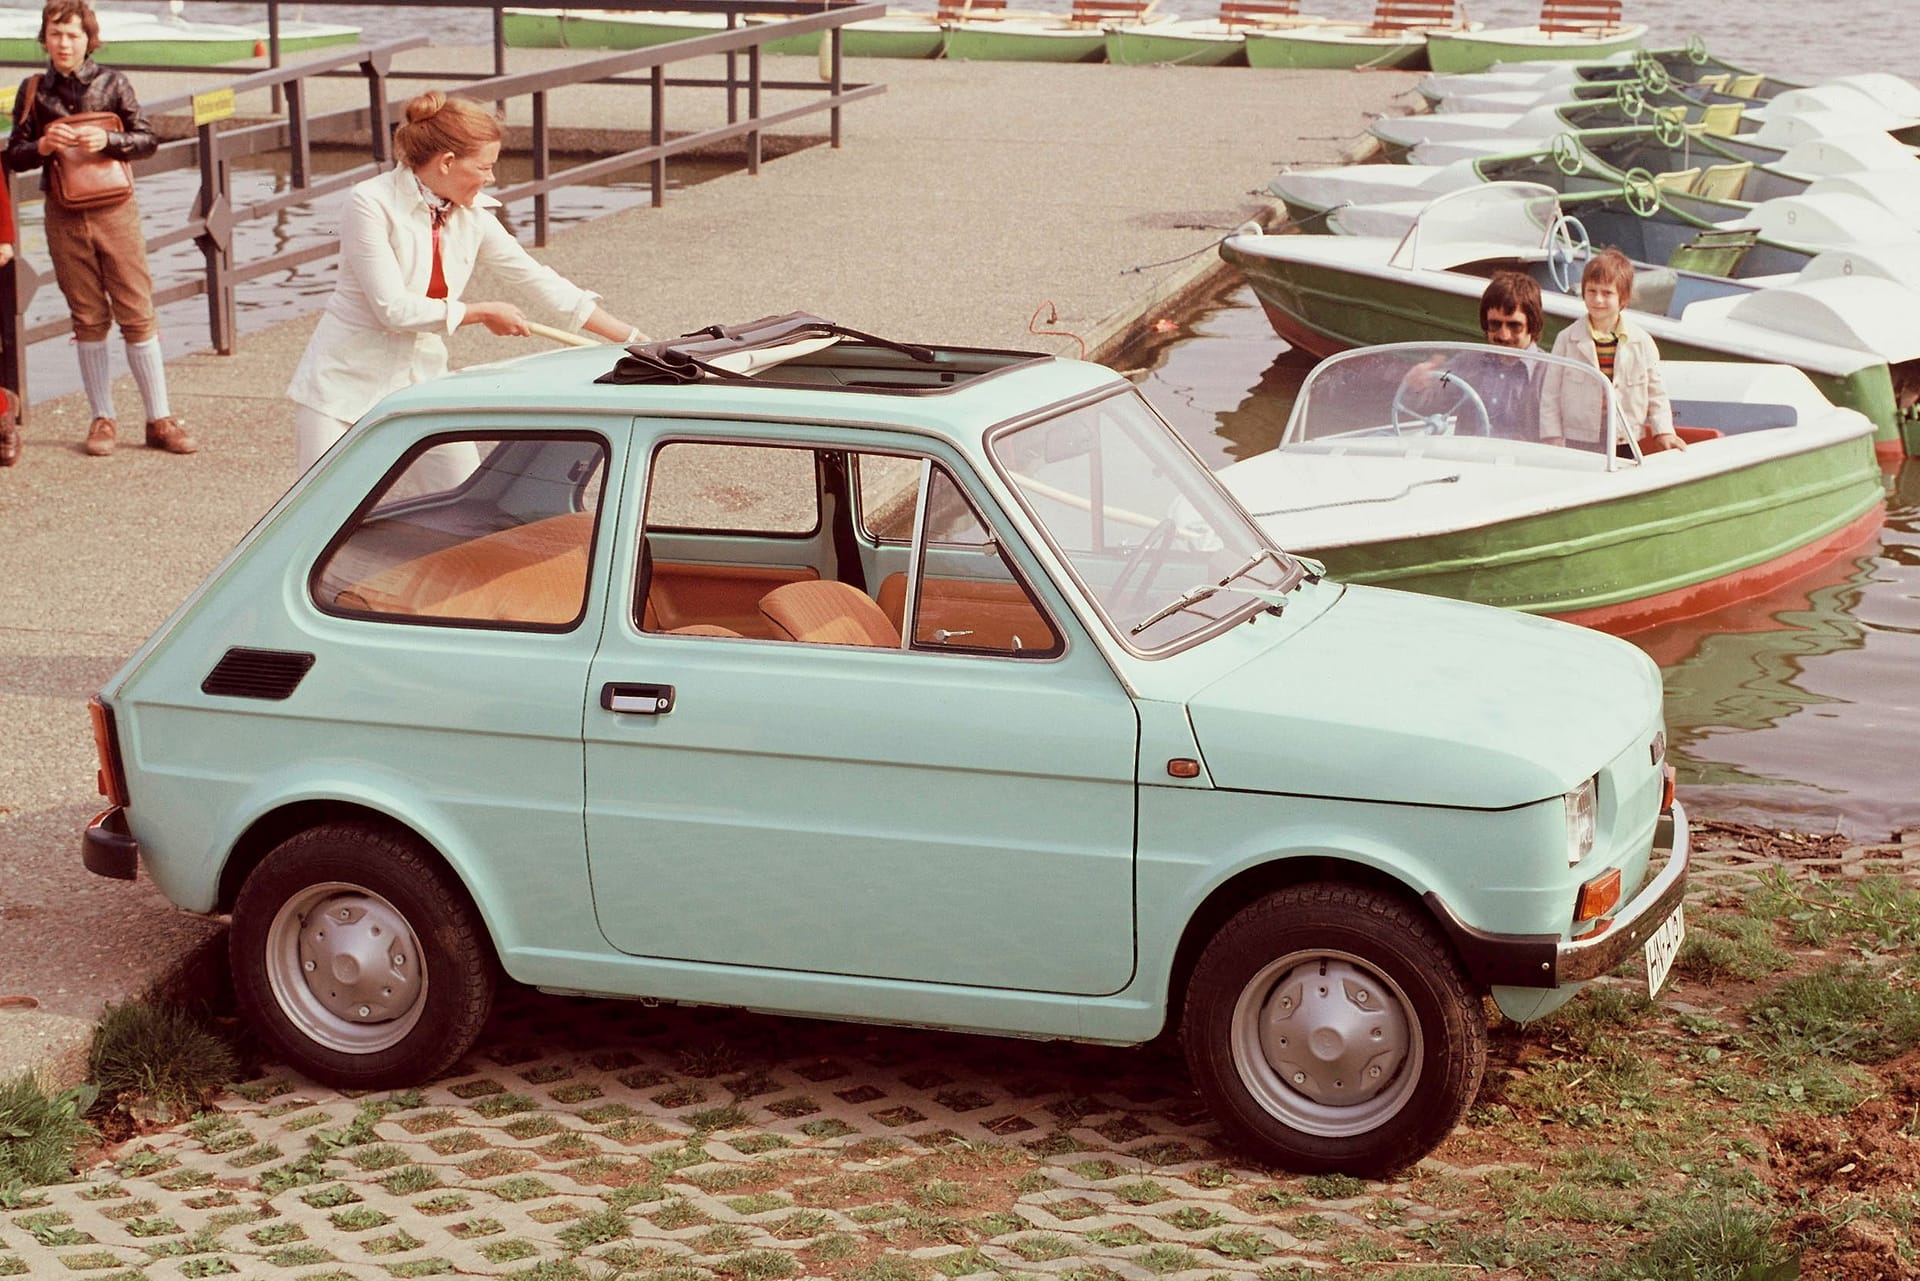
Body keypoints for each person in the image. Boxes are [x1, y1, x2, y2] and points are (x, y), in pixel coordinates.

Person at [289, 91, 647, 472]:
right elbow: (392, 309)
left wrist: (635, 341)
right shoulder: (369, 203)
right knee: (329, 524)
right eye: (484, 166)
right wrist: (480, 313)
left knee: (459, 501)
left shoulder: (473, 215)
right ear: (446, 162)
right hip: (340, 392)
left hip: (419, 387)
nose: (491, 178)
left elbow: (538, 280)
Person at [4, 0, 194, 459]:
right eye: (55, 34)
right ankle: (102, 417)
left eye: (71, 34)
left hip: (116, 209)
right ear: (44, 39)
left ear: (90, 38)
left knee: (136, 310)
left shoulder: (113, 82)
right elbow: (13, 155)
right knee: (86, 316)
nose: (63, 43)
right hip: (63, 212)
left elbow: (147, 139)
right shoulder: (33, 90)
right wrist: (44, 144)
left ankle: (159, 418)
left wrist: (109, 140)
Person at [1539, 246, 1685, 455]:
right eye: (1592, 291)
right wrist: (1552, 434)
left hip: (1625, 436)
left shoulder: (1641, 342)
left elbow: (1656, 393)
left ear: (1623, 299)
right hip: (1578, 438)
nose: (1598, 300)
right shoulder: (1567, 339)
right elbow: (1550, 393)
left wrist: (1664, 432)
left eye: (1607, 293)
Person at [1404, 271, 1545, 440]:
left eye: (1514, 326)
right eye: (1495, 324)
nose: (1503, 335)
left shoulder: (1552, 375)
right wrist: (1418, 385)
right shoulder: (1467, 362)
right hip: (1469, 461)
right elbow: (1435, 394)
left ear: (1533, 324)